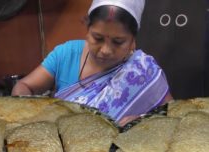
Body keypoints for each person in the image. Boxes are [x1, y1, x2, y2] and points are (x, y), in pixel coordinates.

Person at [11, 0, 173, 126]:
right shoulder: (66, 54)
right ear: (87, 30)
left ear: (132, 41)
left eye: (118, 42)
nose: (105, 50)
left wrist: (143, 121)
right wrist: (26, 116)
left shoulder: (143, 71)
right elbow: (25, 86)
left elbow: (173, 116)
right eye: (98, 38)